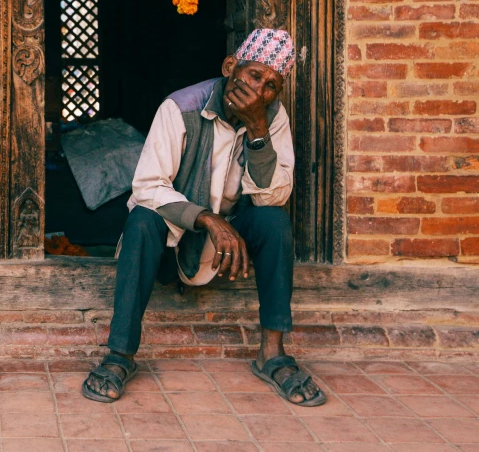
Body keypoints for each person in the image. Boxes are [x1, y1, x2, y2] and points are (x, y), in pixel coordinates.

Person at [82, 28, 326, 407]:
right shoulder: (180, 107)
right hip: (177, 234)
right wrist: (208, 219)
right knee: (141, 220)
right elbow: (147, 186)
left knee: (274, 222)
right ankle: (119, 355)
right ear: (231, 67)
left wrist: (259, 131)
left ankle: (272, 354)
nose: (261, 91)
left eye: (272, 85)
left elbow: (274, 194)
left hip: (230, 240)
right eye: (254, 76)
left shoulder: (272, 118)